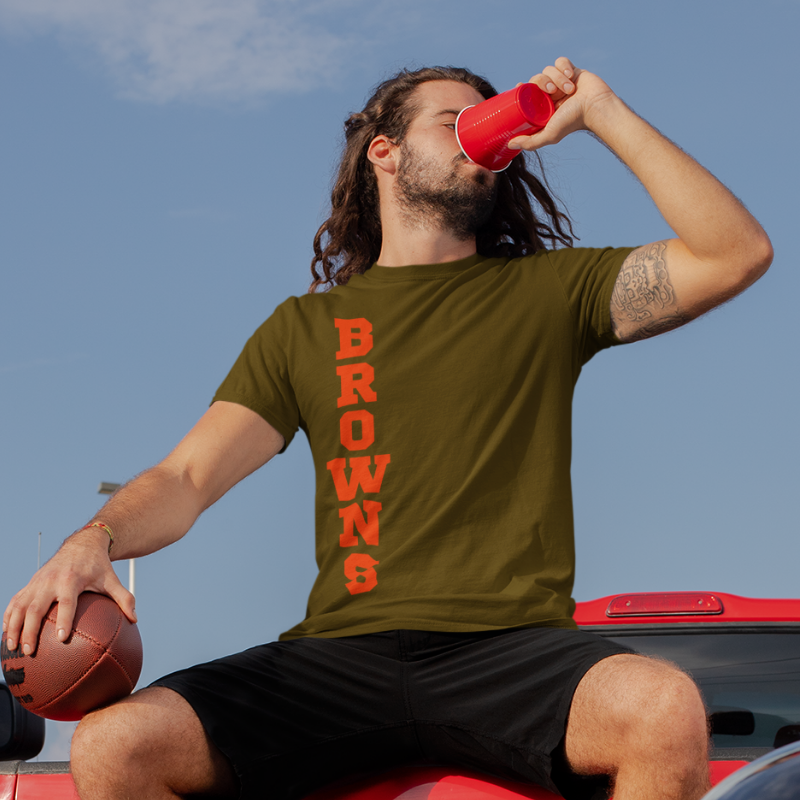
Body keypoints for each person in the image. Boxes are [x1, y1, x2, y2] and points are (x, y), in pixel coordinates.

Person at [3, 58, 772, 800]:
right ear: (386, 153)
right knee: (113, 747)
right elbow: (187, 478)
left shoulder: (549, 291)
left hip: (508, 648)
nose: (485, 137)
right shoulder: (303, 329)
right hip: (340, 658)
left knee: (662, 709)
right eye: (456, 120)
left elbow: (735, 253)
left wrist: (602, 112)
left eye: (489, 123)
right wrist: (92, 539)